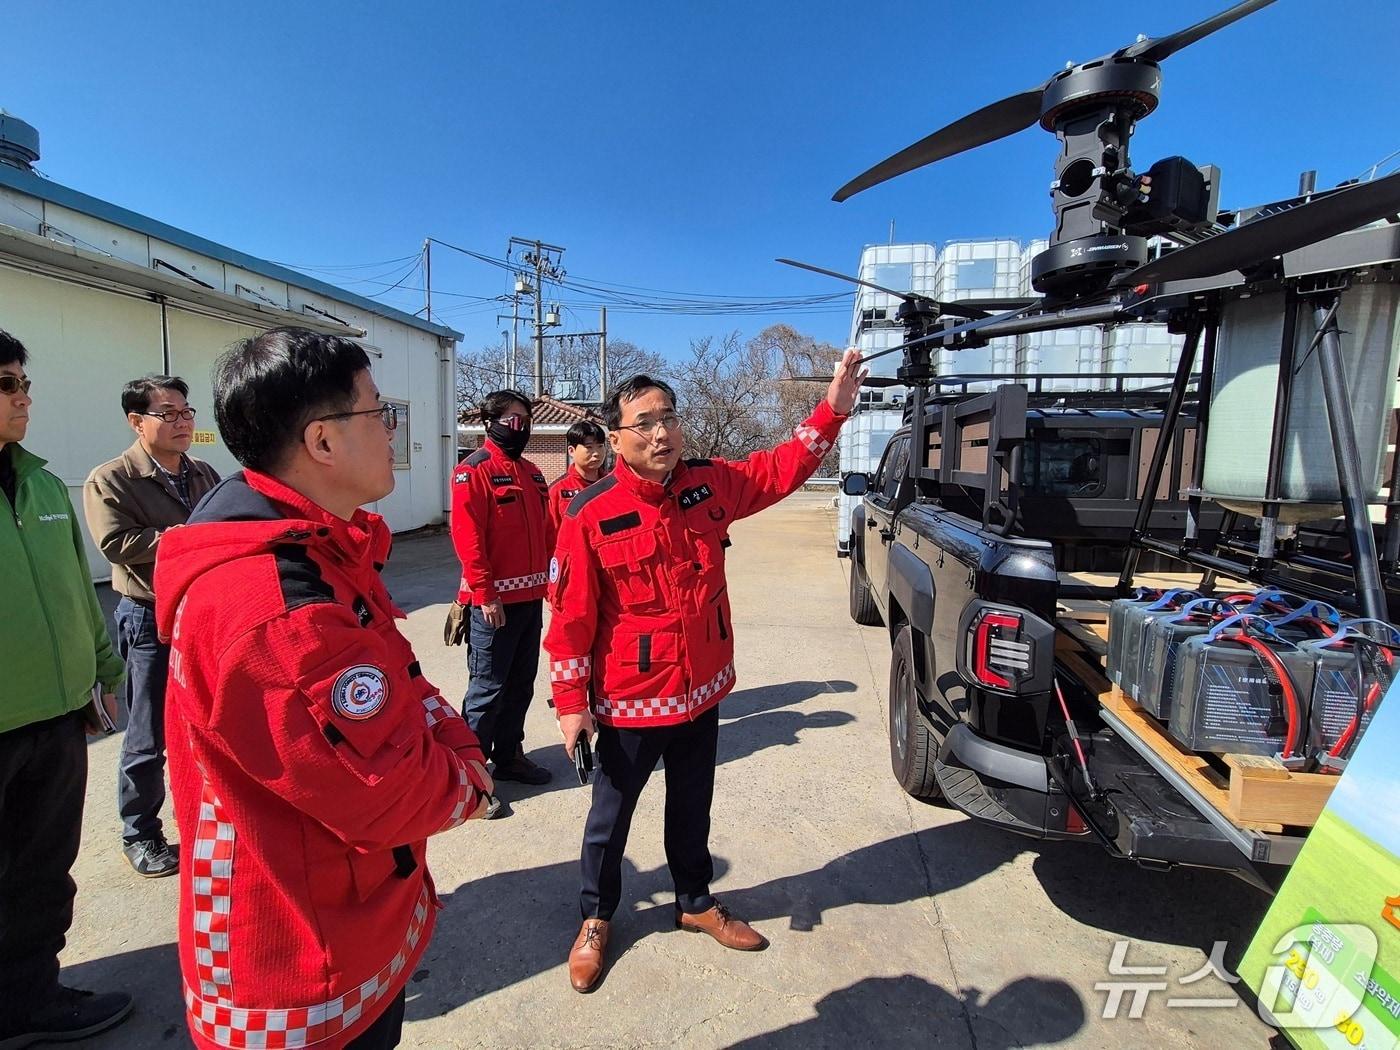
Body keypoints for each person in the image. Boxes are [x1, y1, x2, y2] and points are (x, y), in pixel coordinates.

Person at [154, 327, 494, 1049]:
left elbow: (398, 676)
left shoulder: (310, 544)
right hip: (298, 967)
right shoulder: (276, 607)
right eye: (380, 412)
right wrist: (470, 781)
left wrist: (454, 736)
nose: (393, 429)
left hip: (345, 919)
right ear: (323, 442)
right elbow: (390, 791)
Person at [546, 349, 865, 992]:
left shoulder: (708, 483)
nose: (660, 432)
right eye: (643, 422)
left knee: (693, 805)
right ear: (615, 439)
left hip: (704, 688)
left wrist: (832, 409)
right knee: (610, 819)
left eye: (668, 417)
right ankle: (595, 919)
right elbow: (571, 617)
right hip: (633, 697)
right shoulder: (589, 515)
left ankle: (694, 901)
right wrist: (569, 700)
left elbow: (780, 468)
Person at [0, 329, 134, 1045]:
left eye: (24, 381)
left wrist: (104, 676)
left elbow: (80, 597)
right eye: (6, 384)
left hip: (55, 717)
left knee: (43, 871)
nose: (24, 397)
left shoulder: (45, 485)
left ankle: (30, 1000)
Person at [83, 375, 220, 878]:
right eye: (169, 414)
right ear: (136, 421)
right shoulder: (112, 478)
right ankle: (140, 833)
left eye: (187, 412)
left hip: (203, 612)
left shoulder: (204, 473)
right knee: (148, 732)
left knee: (207, 724)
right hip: (149, 616)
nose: (183, 422)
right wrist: (184, 539)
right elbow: (116, 544)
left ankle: (205, 823)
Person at [449, 390, 554, 813]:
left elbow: (547, 536)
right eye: (514, 419)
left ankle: (508, 756)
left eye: (526, 420)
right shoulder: (471, 472)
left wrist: (553, 583)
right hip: (493, 606)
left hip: (530, 601)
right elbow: (468, 539)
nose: (522, 428)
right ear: (490, 422)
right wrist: (483, 594)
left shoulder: (532, 474)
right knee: (487, 690)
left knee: (520, 685)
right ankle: (470, 782)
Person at [547, 419, 607, 533]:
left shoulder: (613, 484)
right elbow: (551, 534)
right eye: (589, 447)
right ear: (571, 450)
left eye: (600, 446)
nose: (596, 453)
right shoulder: (558, 490)